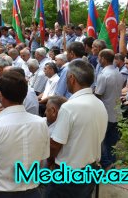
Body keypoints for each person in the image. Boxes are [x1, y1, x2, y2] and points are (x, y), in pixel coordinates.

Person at [0, 70, 49, 197]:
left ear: (0, 95)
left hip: (2, 192)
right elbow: (42, 161)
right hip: (32, 191)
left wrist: (1, 180)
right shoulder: (41, 123)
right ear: (25, 95)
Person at [46, 60, 108, 197]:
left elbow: (55, 145)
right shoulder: (99, 104)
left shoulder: (70, 107)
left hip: (68, 175)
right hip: (89, 171)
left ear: (72, 78)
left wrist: (49, 161)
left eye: (67, 77)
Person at [94, 49, 124, 171]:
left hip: (105, 113)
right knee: (111, 142)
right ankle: (111, 165)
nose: (98, 59)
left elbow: (98, 95)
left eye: (99, 57)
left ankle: (107, 164)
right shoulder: (118, 73)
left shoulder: (104, 75)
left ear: (103, 59)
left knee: (100, 141)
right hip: (116, 112)